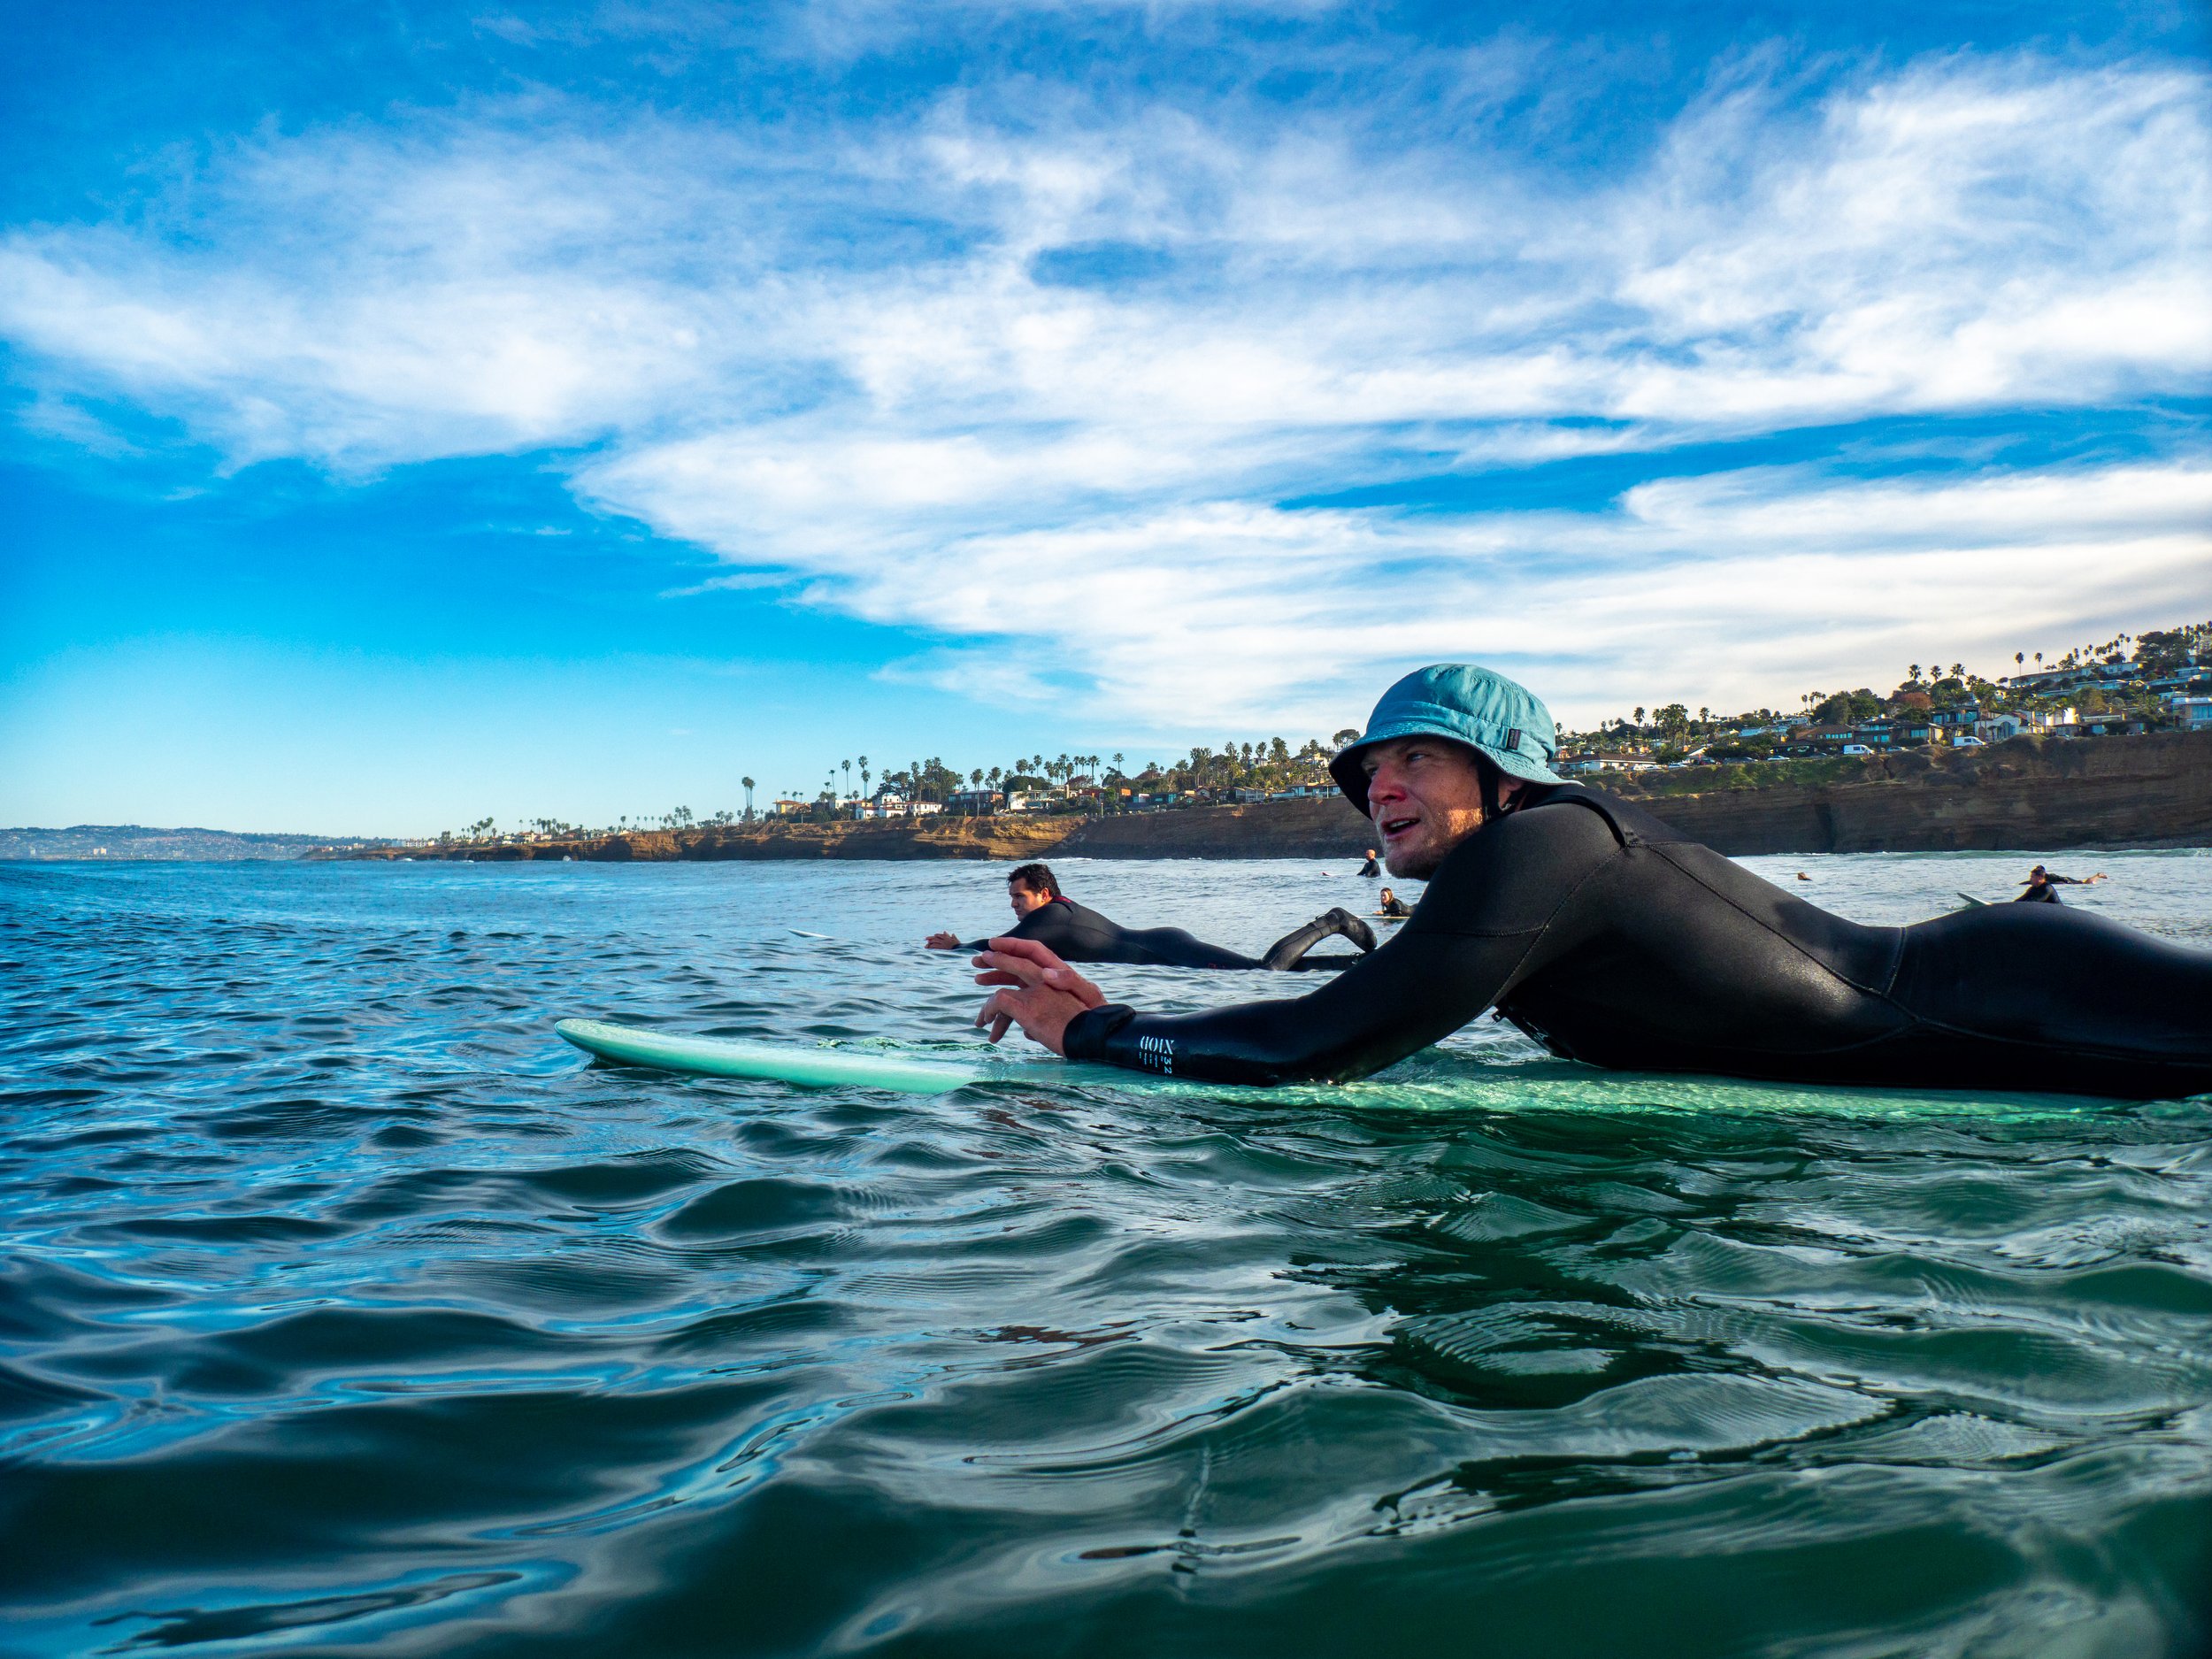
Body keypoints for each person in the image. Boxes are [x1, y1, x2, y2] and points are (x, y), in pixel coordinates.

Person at [970, 664, 2212, 1101]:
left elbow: (1320, 1043)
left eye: (1415, 757)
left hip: (2013, 992)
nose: (1382, 786)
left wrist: (1097, 1033)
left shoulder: (1547, 845)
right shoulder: (1518, 877)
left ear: (1503, 777)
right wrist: (1117, 981)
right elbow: (1369, 992)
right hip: (1992, 990)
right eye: (1369, 767)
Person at [925, 862, 1376, 971]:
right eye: (1012, 898)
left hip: (1165, 949)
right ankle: (1355, 965)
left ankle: (1332, 921)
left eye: (1019, 897)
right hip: (1163, 945)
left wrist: (958, 947)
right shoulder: (1057, 914)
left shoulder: (1050, 918)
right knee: (1266, 970)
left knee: (1264, 971)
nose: (1014, 904)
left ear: (1043, 894)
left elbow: (1002, 944)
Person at [2016, 864, 2108, 903]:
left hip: (2058, 912)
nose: (2030, 879)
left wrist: (2068, 882)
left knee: (2086, 883)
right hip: (2044, 913)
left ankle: (2098, 875)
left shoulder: (2047, 888)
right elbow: (2021, 900)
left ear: (2040, 877)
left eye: (2032, 877)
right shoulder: (2033, 888)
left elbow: (2036, 901)